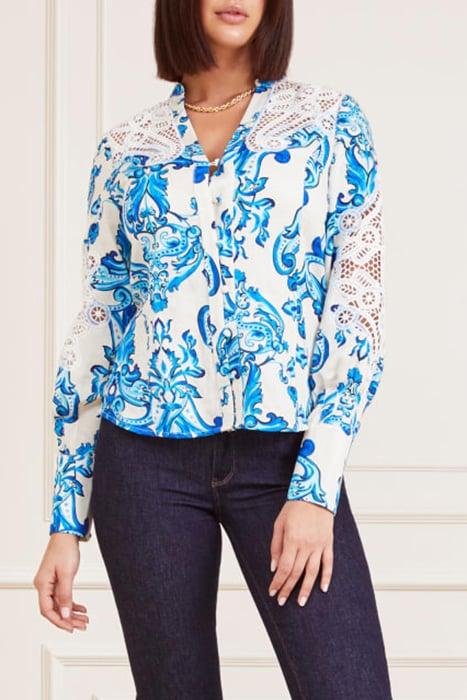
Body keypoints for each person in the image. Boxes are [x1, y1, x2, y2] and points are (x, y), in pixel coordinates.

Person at [33, 1, 393, 698]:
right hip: (144, 466)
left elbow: (355, 310)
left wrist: (315, 489)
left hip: (282, 457)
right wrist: (64, 520)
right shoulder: (125, 149)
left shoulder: (329, 124)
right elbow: (100, 323)